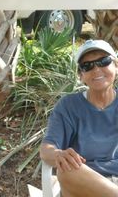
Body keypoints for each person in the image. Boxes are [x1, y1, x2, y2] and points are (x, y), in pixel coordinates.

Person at [40, 39, 118, 197]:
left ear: (116, 65)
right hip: (84, 184)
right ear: (81, 75)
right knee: (66, 169)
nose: (96, 69)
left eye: (104, 61)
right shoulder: (69, 106)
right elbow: (46, 149)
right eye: (87, 66)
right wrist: (58, 154)